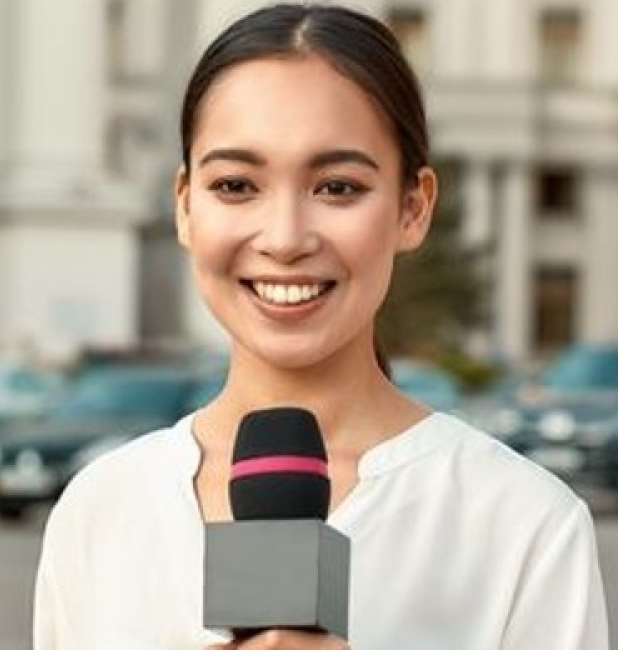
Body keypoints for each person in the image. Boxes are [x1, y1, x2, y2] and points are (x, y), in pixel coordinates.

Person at [32, 3, 609, 650]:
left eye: (336, 188)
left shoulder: (520, 523)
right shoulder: (101, 510)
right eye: (236, 185)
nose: (284, 239)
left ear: (413, 209)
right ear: (185, 207)